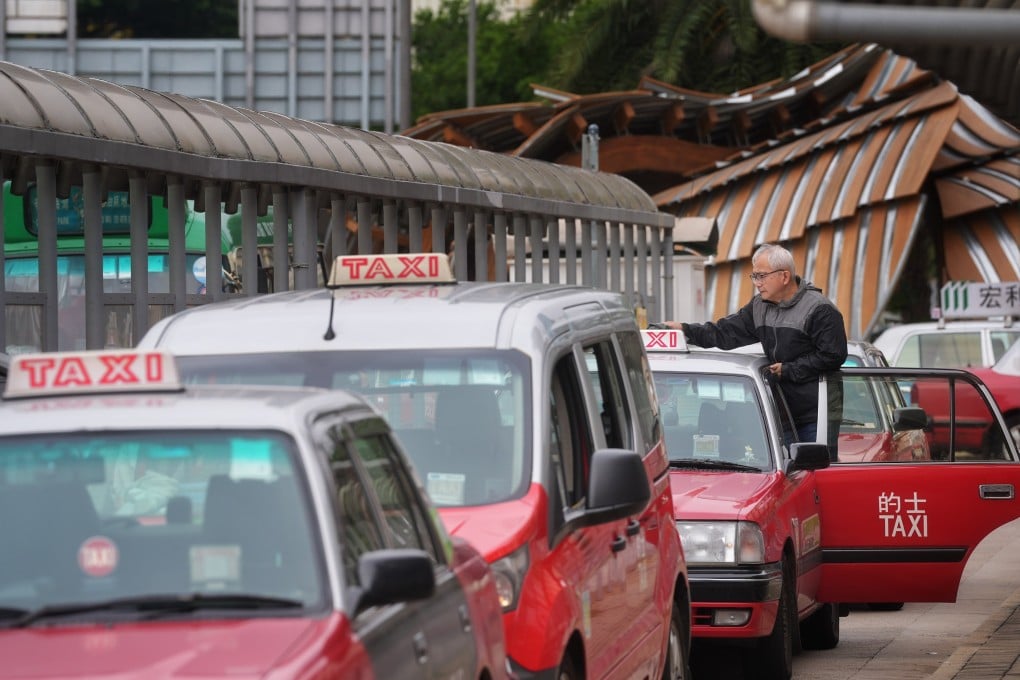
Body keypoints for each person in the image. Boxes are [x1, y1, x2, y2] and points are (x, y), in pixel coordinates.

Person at [661, 243, 847, 460]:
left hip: (816, 415)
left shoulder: (820, 310)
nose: (757, 283)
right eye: (754, 276)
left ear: (784, 276)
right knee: (788, 478)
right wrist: (685, 330)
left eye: (761, 276)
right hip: (779, 413)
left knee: (815, 476)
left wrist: (789, 370)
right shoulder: (760, 306)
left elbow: (833, 355)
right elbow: (725, 333)